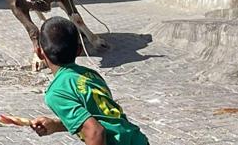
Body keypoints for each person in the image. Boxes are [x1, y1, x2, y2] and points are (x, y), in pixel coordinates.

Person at [30, 17, 149, 145]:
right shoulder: (91, 75)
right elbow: (101, 117)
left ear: (39, 52)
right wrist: (56, 125)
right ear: (79, 50)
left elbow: (95, 131)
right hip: (137, 139)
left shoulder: (56, 93)